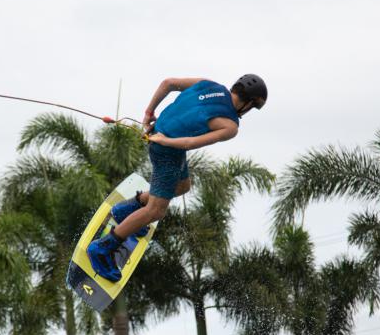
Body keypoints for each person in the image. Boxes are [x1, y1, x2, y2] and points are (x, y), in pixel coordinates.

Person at [87, 74, 267, 282]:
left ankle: (126, 209)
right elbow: (189, 143)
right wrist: (164, 141)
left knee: (183, 186)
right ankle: (102, 249)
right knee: (155, 211)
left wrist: (148, 113)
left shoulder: (209, 85)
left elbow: (168, 83)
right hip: (167, 151)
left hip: (159, 136)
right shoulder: (230, 126)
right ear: (250, 103)